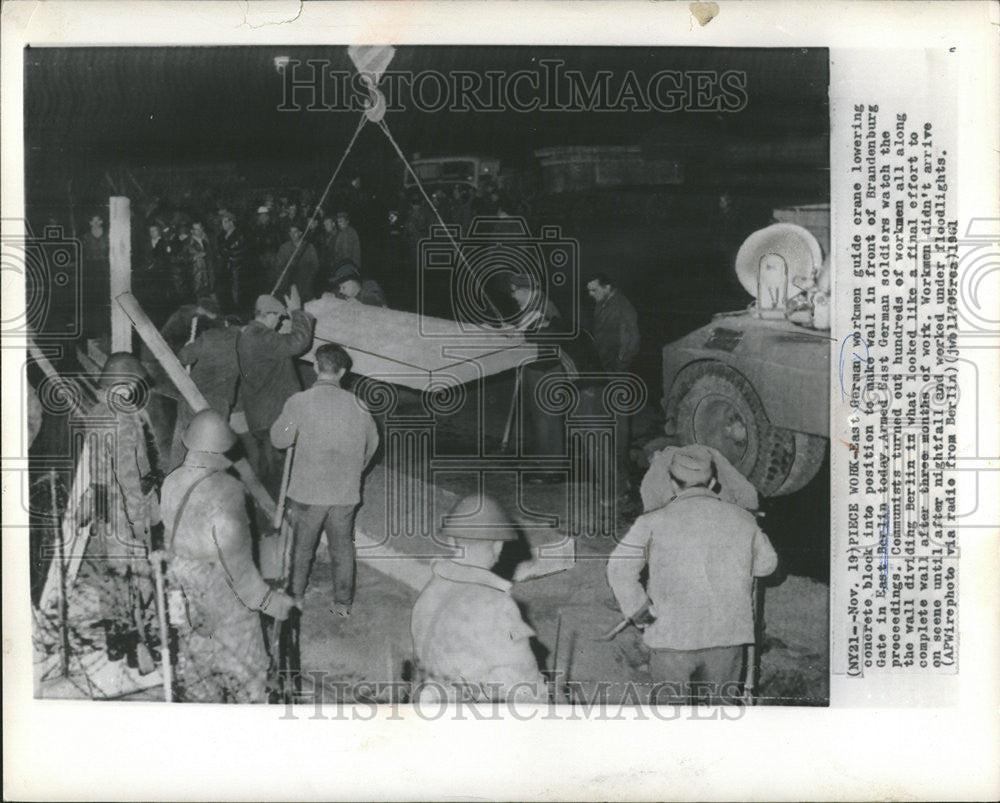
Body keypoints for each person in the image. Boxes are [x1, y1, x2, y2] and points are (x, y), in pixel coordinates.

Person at [606, 444, 778, 704]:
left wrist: (640, 612)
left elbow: (619, 567)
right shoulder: (743, 519)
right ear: (711, 482)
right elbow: (767, 566)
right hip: (727, 636)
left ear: (673, 484)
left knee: (671, 721)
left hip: (672, 636)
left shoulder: (652, 521)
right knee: (720, 718)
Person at [158, 409, 295, 703]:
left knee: (197, 669)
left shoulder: (172, 480)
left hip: (182, 585)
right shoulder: (227, 489)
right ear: (223, 447)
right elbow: (238, 567)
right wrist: (270, 602)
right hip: (219, 590)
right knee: (248, 672)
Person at [269, 343, 379, 617]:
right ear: (342, 372)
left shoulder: (299, 401)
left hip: (308, 493)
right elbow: (373, 445)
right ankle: (342, 604)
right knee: (342, 549)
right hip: (345, 494)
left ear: (317, 367)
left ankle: (295, 599)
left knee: (301, 549)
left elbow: (278, 438)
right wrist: (356, 470)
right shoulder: (360, 405)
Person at [410, 494, 547, 703]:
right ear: (498, 546)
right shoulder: (497, 605)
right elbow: (526, 680)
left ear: (451, 541)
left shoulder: (430, 591)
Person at [78, 352, 160, 566]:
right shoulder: (122, 416)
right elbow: (127, 473)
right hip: (124, 504)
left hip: (105, 499)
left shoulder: (97, 410)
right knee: (137, 570)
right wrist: (138, 520)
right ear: (126, 383)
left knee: (115, 563)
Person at [235, 287, 315, 493]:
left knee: (266, 467)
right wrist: (297, 312)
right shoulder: (262, 338)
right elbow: (298, 343)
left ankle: (264, 506)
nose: (279, 323)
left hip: (259, 416)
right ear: (268, 315)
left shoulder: (247, 335)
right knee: (280, 472)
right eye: (277, 318)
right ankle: (279, 513)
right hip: (273, 418)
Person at [170, 311, 242, 470]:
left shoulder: (210, 336)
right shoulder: (245, 344)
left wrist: (188, 347)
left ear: (226, 325)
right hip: (217, 405)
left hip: (191, 397)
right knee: (211, 451)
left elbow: (183, 358)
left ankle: (172, 481)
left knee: (181, 446)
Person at [585, 273, 640, 373]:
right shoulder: (600, 304)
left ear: (607, 287)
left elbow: (633, 337)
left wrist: (621, 362)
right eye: (589, 290)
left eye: (594, 290)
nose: (590, 294)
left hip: (617, 366)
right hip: (603, 363)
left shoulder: (623, 306)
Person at [273, 223, 320, 301]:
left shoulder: (309, 247)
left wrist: (309, 280)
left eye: (295, 232)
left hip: (306, 283)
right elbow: (279, 266)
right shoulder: (284, 247)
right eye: (290, 232)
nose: (292, 234)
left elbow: (315, 265)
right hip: (289, 284)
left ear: (300, 233)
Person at [217, 210, 247, 313]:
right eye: (222, 222)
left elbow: (238, 252)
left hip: (236, 268)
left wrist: (228, 256)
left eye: (225, 222)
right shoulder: (222, 235)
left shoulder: (238, 235)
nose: (223, 225)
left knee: (236, 290)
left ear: (231, 222)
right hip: (226, 268)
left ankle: (238, 310)